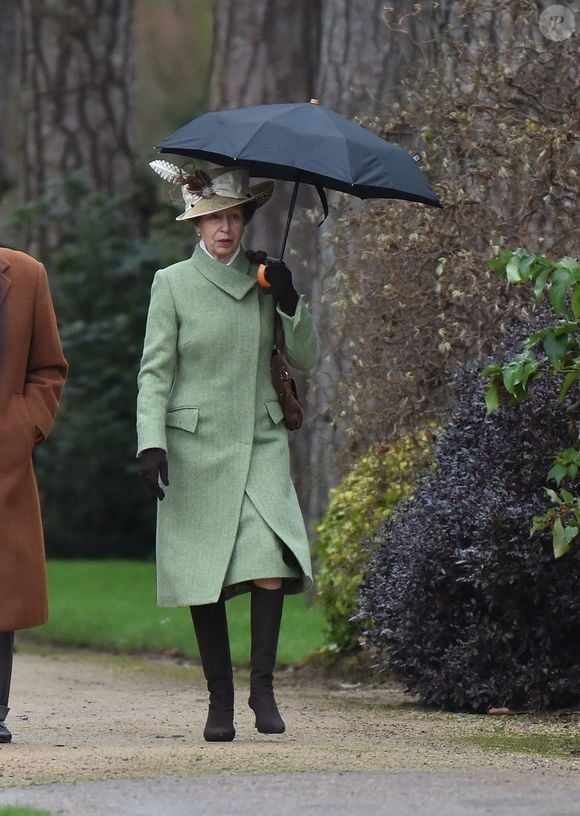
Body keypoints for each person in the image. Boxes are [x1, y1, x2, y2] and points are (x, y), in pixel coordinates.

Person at [138, 164, 319, 742]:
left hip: (262, 440)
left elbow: (308, 357)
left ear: (244, 221)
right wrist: (150, 442)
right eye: (213, 217)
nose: (224, 228)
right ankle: (220, 701)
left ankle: (262, 689)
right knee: (204, 573)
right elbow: (155, 373)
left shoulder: (267, 278)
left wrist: (290, 299)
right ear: (195, 224)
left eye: (233, 216)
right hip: (195, 448)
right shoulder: (171, 284)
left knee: (270, 558)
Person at [0, 247, 67, 744]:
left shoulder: (25, 275)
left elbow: (48, 368)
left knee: (3, 588)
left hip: (3, 458)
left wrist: (23, 427)